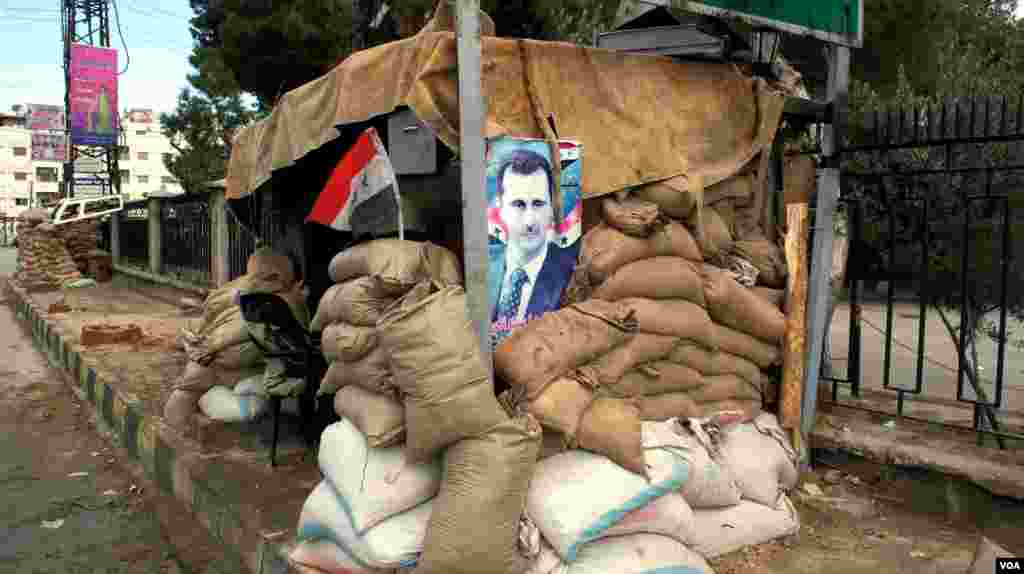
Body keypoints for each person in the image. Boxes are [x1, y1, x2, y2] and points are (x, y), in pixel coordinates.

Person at [489, 149, 579, 334]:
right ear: (500, 207)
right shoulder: (482, 261)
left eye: (538, 204)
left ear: (552, 206)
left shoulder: (574, 271)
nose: (530, 221)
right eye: (518, 204)